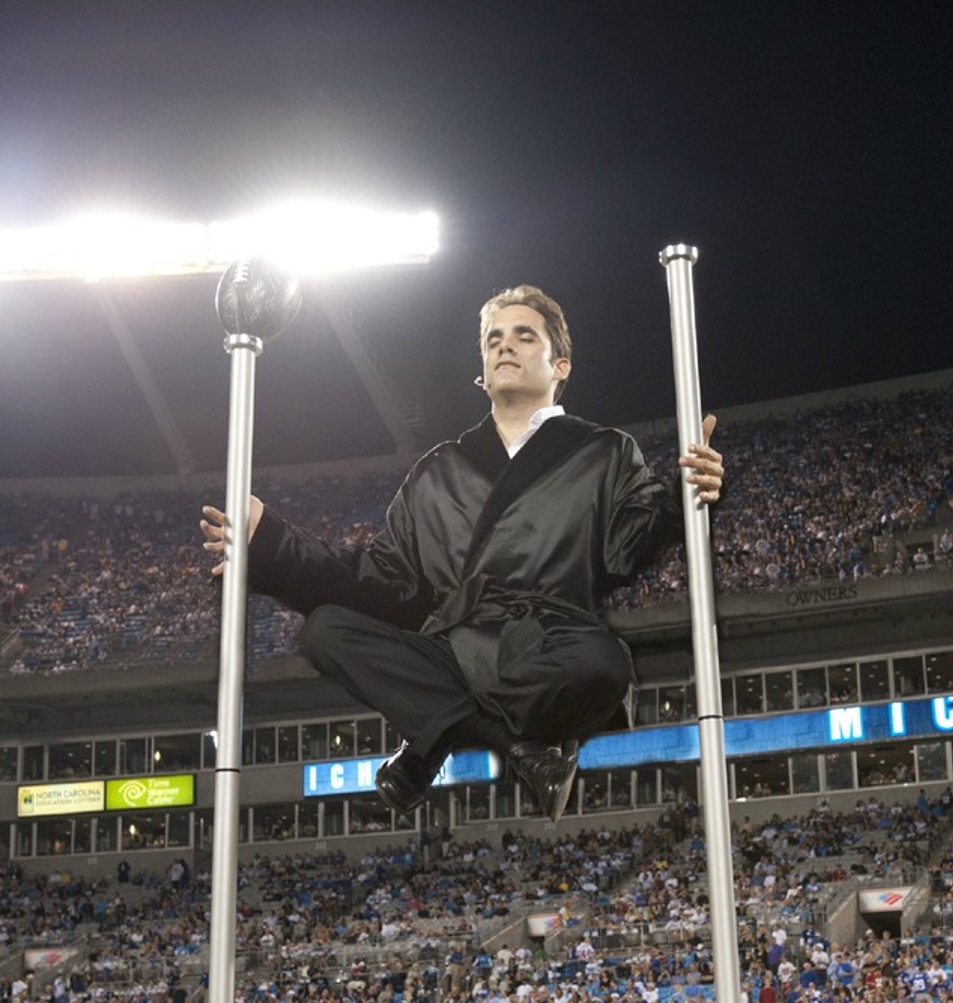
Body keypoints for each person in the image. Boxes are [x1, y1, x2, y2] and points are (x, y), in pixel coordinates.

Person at [201, 285, 723, 822]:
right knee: (325, 631)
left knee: (606, 663)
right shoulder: (436, 470)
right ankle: (519, 747)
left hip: (552, 645)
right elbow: (383, 581)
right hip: (454, 646)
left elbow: (626, 550)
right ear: (483, 372)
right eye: (494, 340)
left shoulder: (606, 451)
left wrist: (686, 494)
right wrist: (271, 542)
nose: (505, 346)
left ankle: (430, 741)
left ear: (560, 366)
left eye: (524, 336)